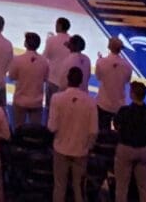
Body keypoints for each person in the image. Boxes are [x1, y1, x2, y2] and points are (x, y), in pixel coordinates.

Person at [48, 70, 99, 202]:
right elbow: (94, 130)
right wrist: (88, 147)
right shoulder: (90, 102)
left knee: (59, 187)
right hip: (81, 151)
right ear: (82, 81)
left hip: (61, 149)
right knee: (79, 188)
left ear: (67, 79)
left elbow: (51, 127)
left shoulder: (57, 98)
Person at [113, 82, 146, 202]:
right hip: (143, 150)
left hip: (125, 149)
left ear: (132, 94)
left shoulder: (124, 111)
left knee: (122, 186)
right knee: (144, 185)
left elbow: (116, 126)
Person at [10, 32, 49, 130]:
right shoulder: (44, 62)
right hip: (37, 100)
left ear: (25, 44)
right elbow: (46, 78)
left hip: (20, 99)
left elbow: (12, 76)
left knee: (18, 128)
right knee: (35, 131)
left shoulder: (18, 60)